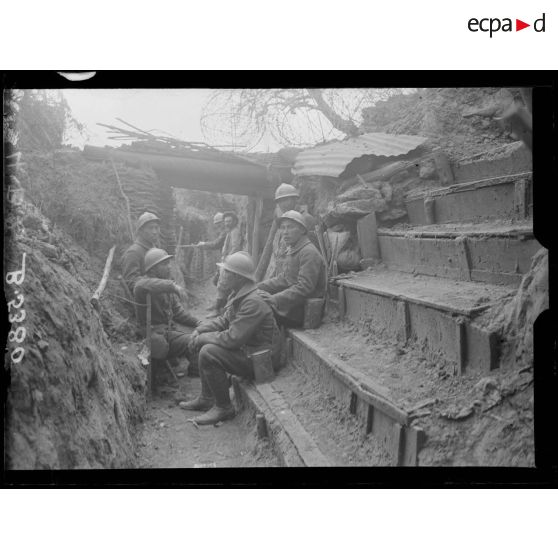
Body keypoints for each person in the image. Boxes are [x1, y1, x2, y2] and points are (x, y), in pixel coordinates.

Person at [180, 252, 281, 425]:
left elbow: (232, 338)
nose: (221, 275)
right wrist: (200, 330)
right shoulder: (240, 294)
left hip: (262, 360)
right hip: (251, 352)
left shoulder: (253, 302)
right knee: (206, 346)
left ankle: (224, 407)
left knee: (208, 352)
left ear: (238, 277)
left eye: (225, 272)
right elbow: (224, 320)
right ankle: (207, 398)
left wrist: (203, 339)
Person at [134, 248, 201, 376]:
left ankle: (192, 370)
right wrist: (172, 286)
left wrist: (198, 322)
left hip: (167, 332)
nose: (169, 267)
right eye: (164, 264)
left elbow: (178, 313)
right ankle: (195, 373)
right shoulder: (144, 285)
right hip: (154, 335)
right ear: (152, 269)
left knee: (198, 335)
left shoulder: (164, 286)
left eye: (168, 263)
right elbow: (140, 285)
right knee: (196, 342)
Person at [258, 210, 325, 328]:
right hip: (292, 304)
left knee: (256, 309)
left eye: (290, 227)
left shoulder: (308, 252)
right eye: (282, 228)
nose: (285, 232)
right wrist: (259, 286)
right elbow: (285, 278)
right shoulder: (294, 249)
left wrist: (274, 299)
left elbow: (305, 287)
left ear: (302, 230)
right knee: (253, 299)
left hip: (301, 310)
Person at [265, 183, 317, 280]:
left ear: (295, 200)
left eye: (286, 200)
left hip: (299, 276)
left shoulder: (306, 219)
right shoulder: (282, 221)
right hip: (283, 275)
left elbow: (311, 254)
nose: (283, 204)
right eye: (280, 201)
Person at [206, 210, 243, 317]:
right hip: (226, 261)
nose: (227, 223)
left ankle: (217, 309)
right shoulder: (229, 231)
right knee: (219, 283)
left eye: (229, 221)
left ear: (234, 221)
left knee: (222, 285)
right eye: (225, 221)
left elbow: (236, 247)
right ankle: (221, 307)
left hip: (230, 263)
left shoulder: (235, 231)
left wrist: (227, 261)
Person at [121, 212, 161, 297]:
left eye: (156, 228)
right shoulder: (134, 252)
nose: (154, 232)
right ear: (141, 231)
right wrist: (157, 283)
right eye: (150, 228)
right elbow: (131, 281)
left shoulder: (156, 250)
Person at [197, 212, 226, 287]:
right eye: (216, 224)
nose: (218, 226)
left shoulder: (225, 231)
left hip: (228, 258)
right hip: (226, 257)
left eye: (219, 223)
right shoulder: (224, 231)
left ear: (223, 221)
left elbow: (216, 244)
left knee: (218, 280)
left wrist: (204, 244)